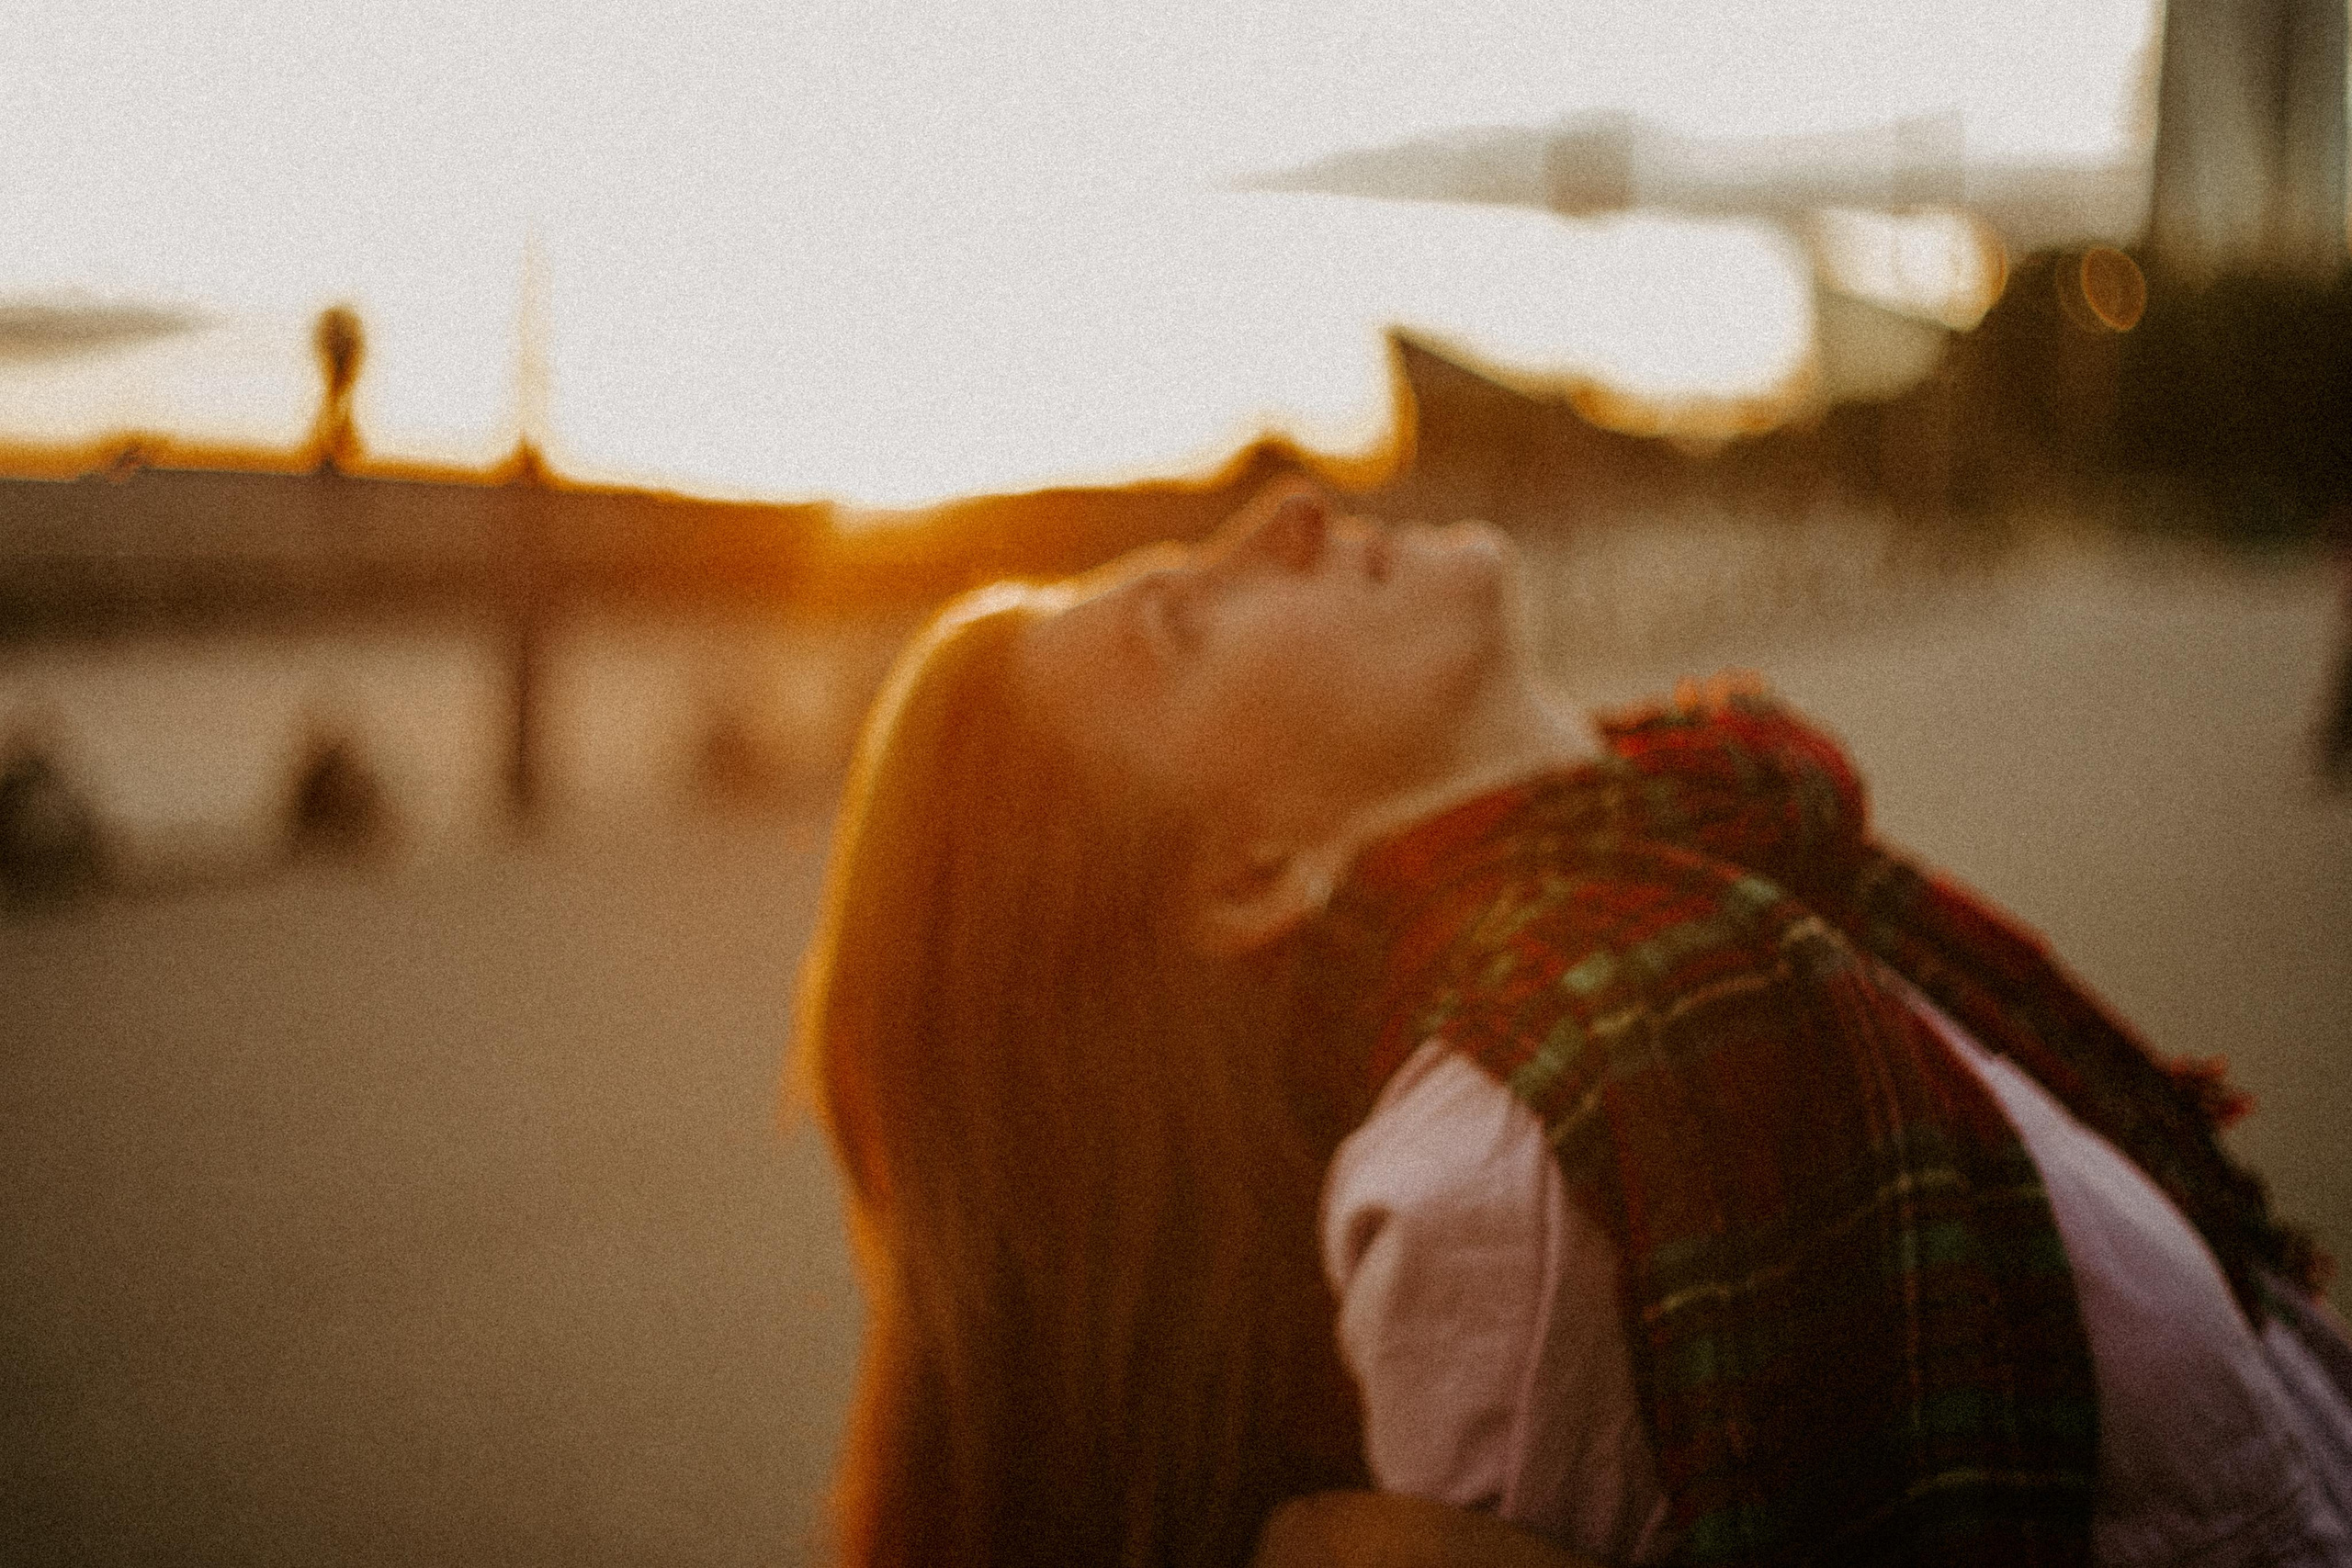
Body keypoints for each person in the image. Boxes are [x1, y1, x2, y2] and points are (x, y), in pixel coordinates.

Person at [797, 478, 2352, 1567]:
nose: (1287, 510)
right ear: (1253, 874)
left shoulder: (1736, 876)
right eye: (1184, 621)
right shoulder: (1519, 1174)